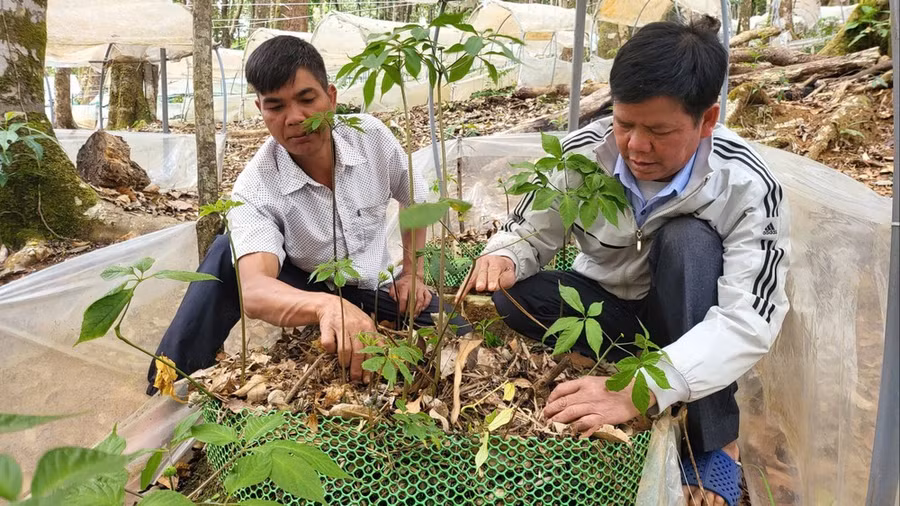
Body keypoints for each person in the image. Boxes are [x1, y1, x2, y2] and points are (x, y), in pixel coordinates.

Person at [458, 16, 789, 506]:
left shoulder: (745, 184)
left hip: (692, 311)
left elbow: (747, 320)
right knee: (512, 294)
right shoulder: (581, 156)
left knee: (689, 242)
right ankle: (652, 377)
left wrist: (639, 387)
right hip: (609, 309)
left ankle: (712, 439)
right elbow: (531, 230)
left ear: (708, 120)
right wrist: (505, 254)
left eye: (658, 131)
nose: (635, 146)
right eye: (624, 122)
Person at [147, 35, 465, 391]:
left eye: (306, 99)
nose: (295, 118)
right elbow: (253, 289)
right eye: (276, 106)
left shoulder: (371, 137)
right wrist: (326, 306)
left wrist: (413, 273)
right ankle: (172, 382)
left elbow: (416, 202)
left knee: (456, 337)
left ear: (330, 97)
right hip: (307, 284)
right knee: (226, 253)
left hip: (377, 287)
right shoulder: (255, 185)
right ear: (261, 110)